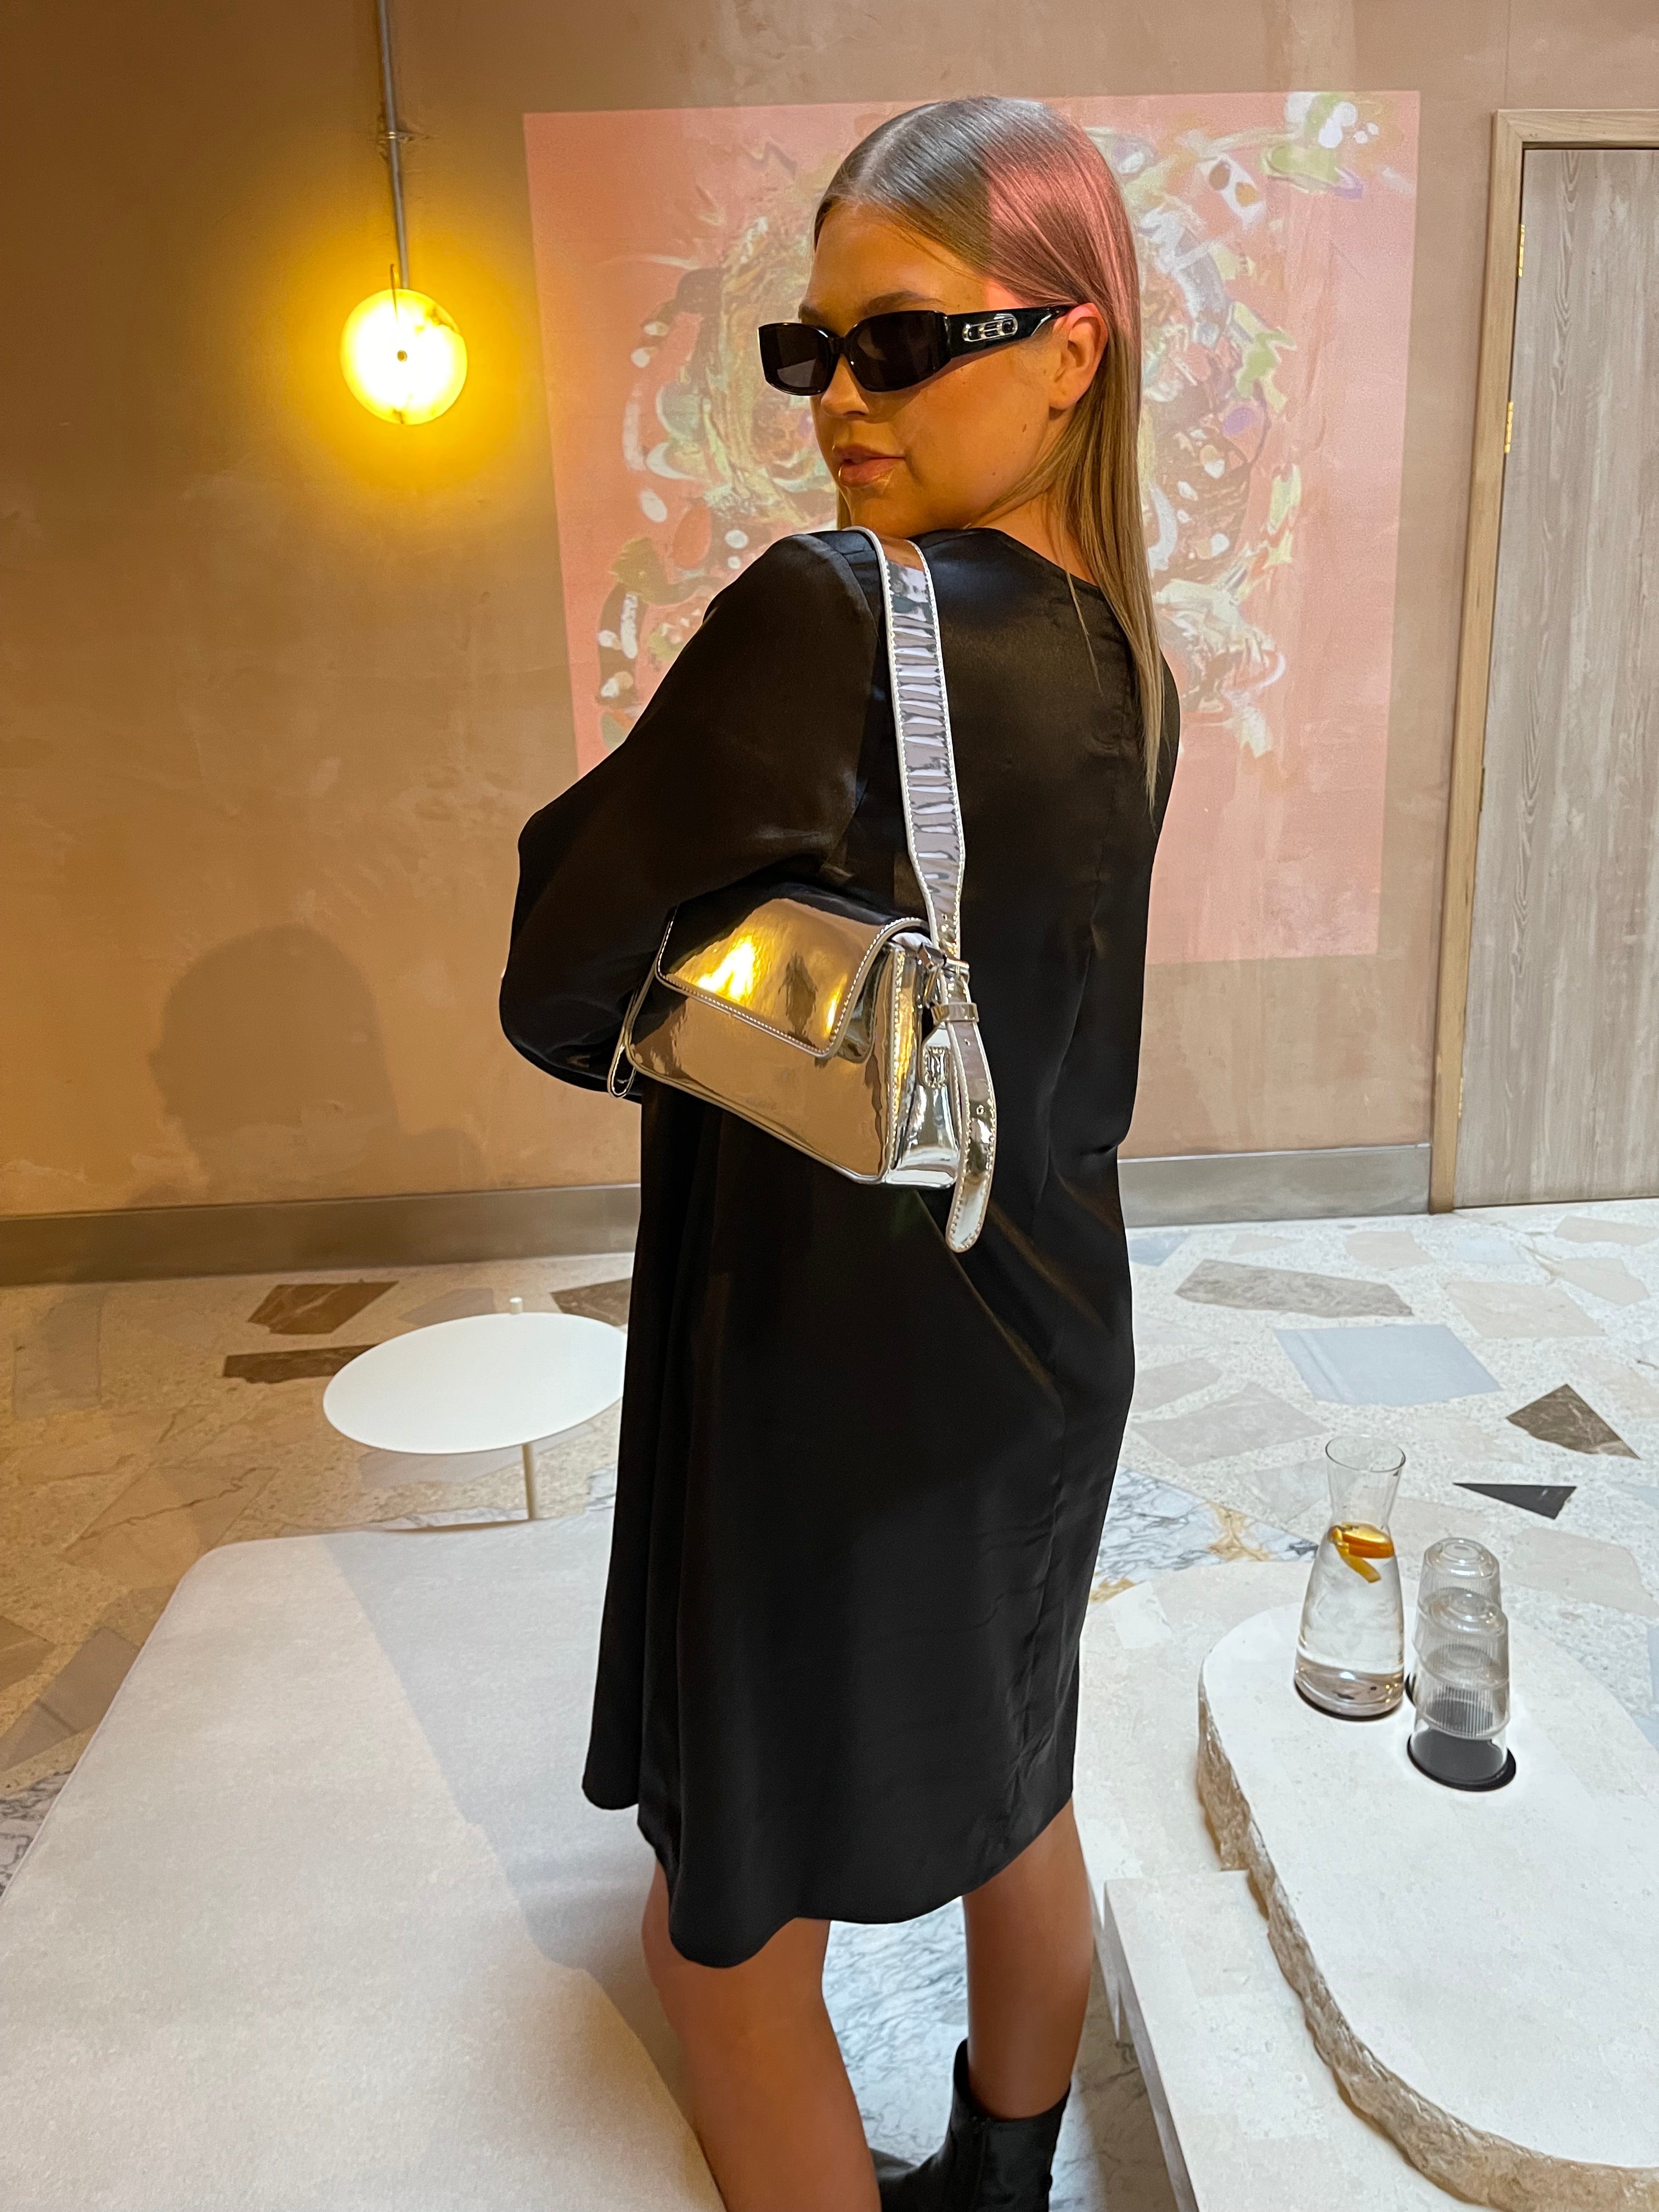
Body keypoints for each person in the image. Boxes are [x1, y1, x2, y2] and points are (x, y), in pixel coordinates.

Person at [500, 94, 1178, 2212]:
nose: (841, 400)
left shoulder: (828, 612)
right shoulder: (1132, 655)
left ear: (1069, 348)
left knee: (720, 1955)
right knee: (1013, 1782)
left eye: (900, 341)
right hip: (1049, 1334)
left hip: (834, 1373)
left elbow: (556, 960)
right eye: (813, 350)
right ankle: (1001, 2177)